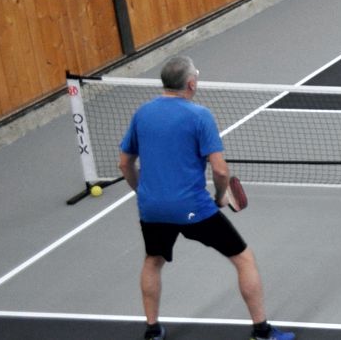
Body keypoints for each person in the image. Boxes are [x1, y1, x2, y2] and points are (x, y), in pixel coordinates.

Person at [120, 56, 295, 340]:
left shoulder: (142, 113)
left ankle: (152, 331)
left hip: (151, 208)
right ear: (191, 84)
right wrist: (219, 196)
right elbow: (220, 170)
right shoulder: (200, 116)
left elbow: (125, 164)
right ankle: (261, 331)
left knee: (153, 260)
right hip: (193, 208)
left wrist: (143, 194)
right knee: (243, 258)